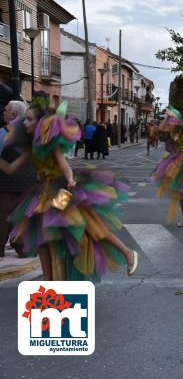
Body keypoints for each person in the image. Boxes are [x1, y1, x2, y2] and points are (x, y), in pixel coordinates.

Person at [0, 102, 138, 280]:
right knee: (42, 237)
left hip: (63, 190)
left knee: (85, 225)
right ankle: (48, 283)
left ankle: (127, 252)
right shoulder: (31, 146)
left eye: (29, 119)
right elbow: (11, 169)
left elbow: (65, 167)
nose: (24, 122)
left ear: (41, 123)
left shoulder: (51, 144)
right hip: (43, 194)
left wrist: (71, 179)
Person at [0, 100, 36, 259]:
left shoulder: (3, 132)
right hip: (29, 183)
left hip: (6, 184)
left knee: (3, 218)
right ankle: (23, 248)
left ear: (13, 115)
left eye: (6, 110)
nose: (3, 112)